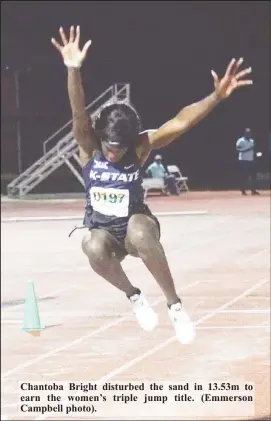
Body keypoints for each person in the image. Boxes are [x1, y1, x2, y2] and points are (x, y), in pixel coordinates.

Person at [51, 26, 253, 344]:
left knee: (142, 233)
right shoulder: (89, 147)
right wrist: (73, 69)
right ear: (100, 138)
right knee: (90, 246)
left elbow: (181, 122)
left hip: (136, 226)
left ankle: (174, 306)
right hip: (104, 233)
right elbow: (78, 112)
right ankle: (135, 297)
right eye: (110, 147)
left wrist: (215, 97)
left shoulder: (139, 147)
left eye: (120, 147)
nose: (115, 153)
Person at [236, 128, 260, 195]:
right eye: (247, 133)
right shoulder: (240, 141)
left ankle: (253, 190)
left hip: (251, 160)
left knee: (253, 175)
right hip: (243, 160)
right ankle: (243, 190)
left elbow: (253, 150)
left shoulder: (252, 141)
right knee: (244, 176)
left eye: (249, 133)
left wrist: (257, 154)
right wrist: (247, 149)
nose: (248, 134)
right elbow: (237, 150)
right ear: (244, 134)